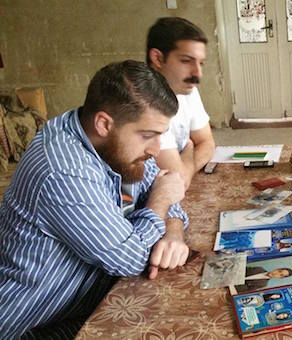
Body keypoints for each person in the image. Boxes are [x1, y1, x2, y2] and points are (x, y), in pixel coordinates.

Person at [0, 60, 190, 338]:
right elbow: (131, 258)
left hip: (83, 300)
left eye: (160, 135)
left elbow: (161, 187)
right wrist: (159, 204)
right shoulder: (63, 170)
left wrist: (173, 231)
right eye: (147, 135)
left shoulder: (110, 142)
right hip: (32, 326)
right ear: (104, 124)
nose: (155, 149)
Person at [146, 17, 216, 189]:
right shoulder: (147, 104)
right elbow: (178, 181)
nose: (197, 73)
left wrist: (186, 166)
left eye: (201, 63)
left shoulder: (186, 89)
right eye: (186, 61)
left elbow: (207, 143)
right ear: (157, 58)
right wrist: (189, 147)